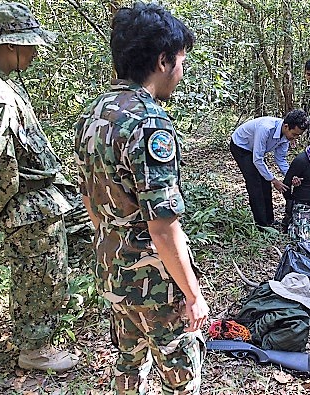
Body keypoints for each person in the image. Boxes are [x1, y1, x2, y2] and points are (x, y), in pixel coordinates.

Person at [74, 3, 208, 393]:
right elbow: (163, 228)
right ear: (163, 60)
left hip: (110, 268)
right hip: (153, 281)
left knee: (129, 364)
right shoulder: (149, 122)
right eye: (181, 61)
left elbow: (91, 201)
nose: (181, 72)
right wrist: (193, 294)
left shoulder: (93, 113)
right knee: (179, 378)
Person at [0, 2, 80, 372]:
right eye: (30, 43)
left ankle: (33, 340)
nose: (35, 51)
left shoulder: (3, 85)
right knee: (39, 278)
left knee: (43, 275)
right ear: (10, 44)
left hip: (38, 203)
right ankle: (34, 350)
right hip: (27, 208)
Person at [230, 109, 309, 229]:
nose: (295, 138)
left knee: (265, 182)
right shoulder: (266, 129)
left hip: (255, 150)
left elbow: (281, 159)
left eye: (298, 135)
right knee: (255, 183)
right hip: (241, 146)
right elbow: (257, 159)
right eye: (294, 134)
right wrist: (274, 180)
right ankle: (261, 224)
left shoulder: (286, 137)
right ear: (286, 126)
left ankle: (269, 220)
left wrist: (291, 176)